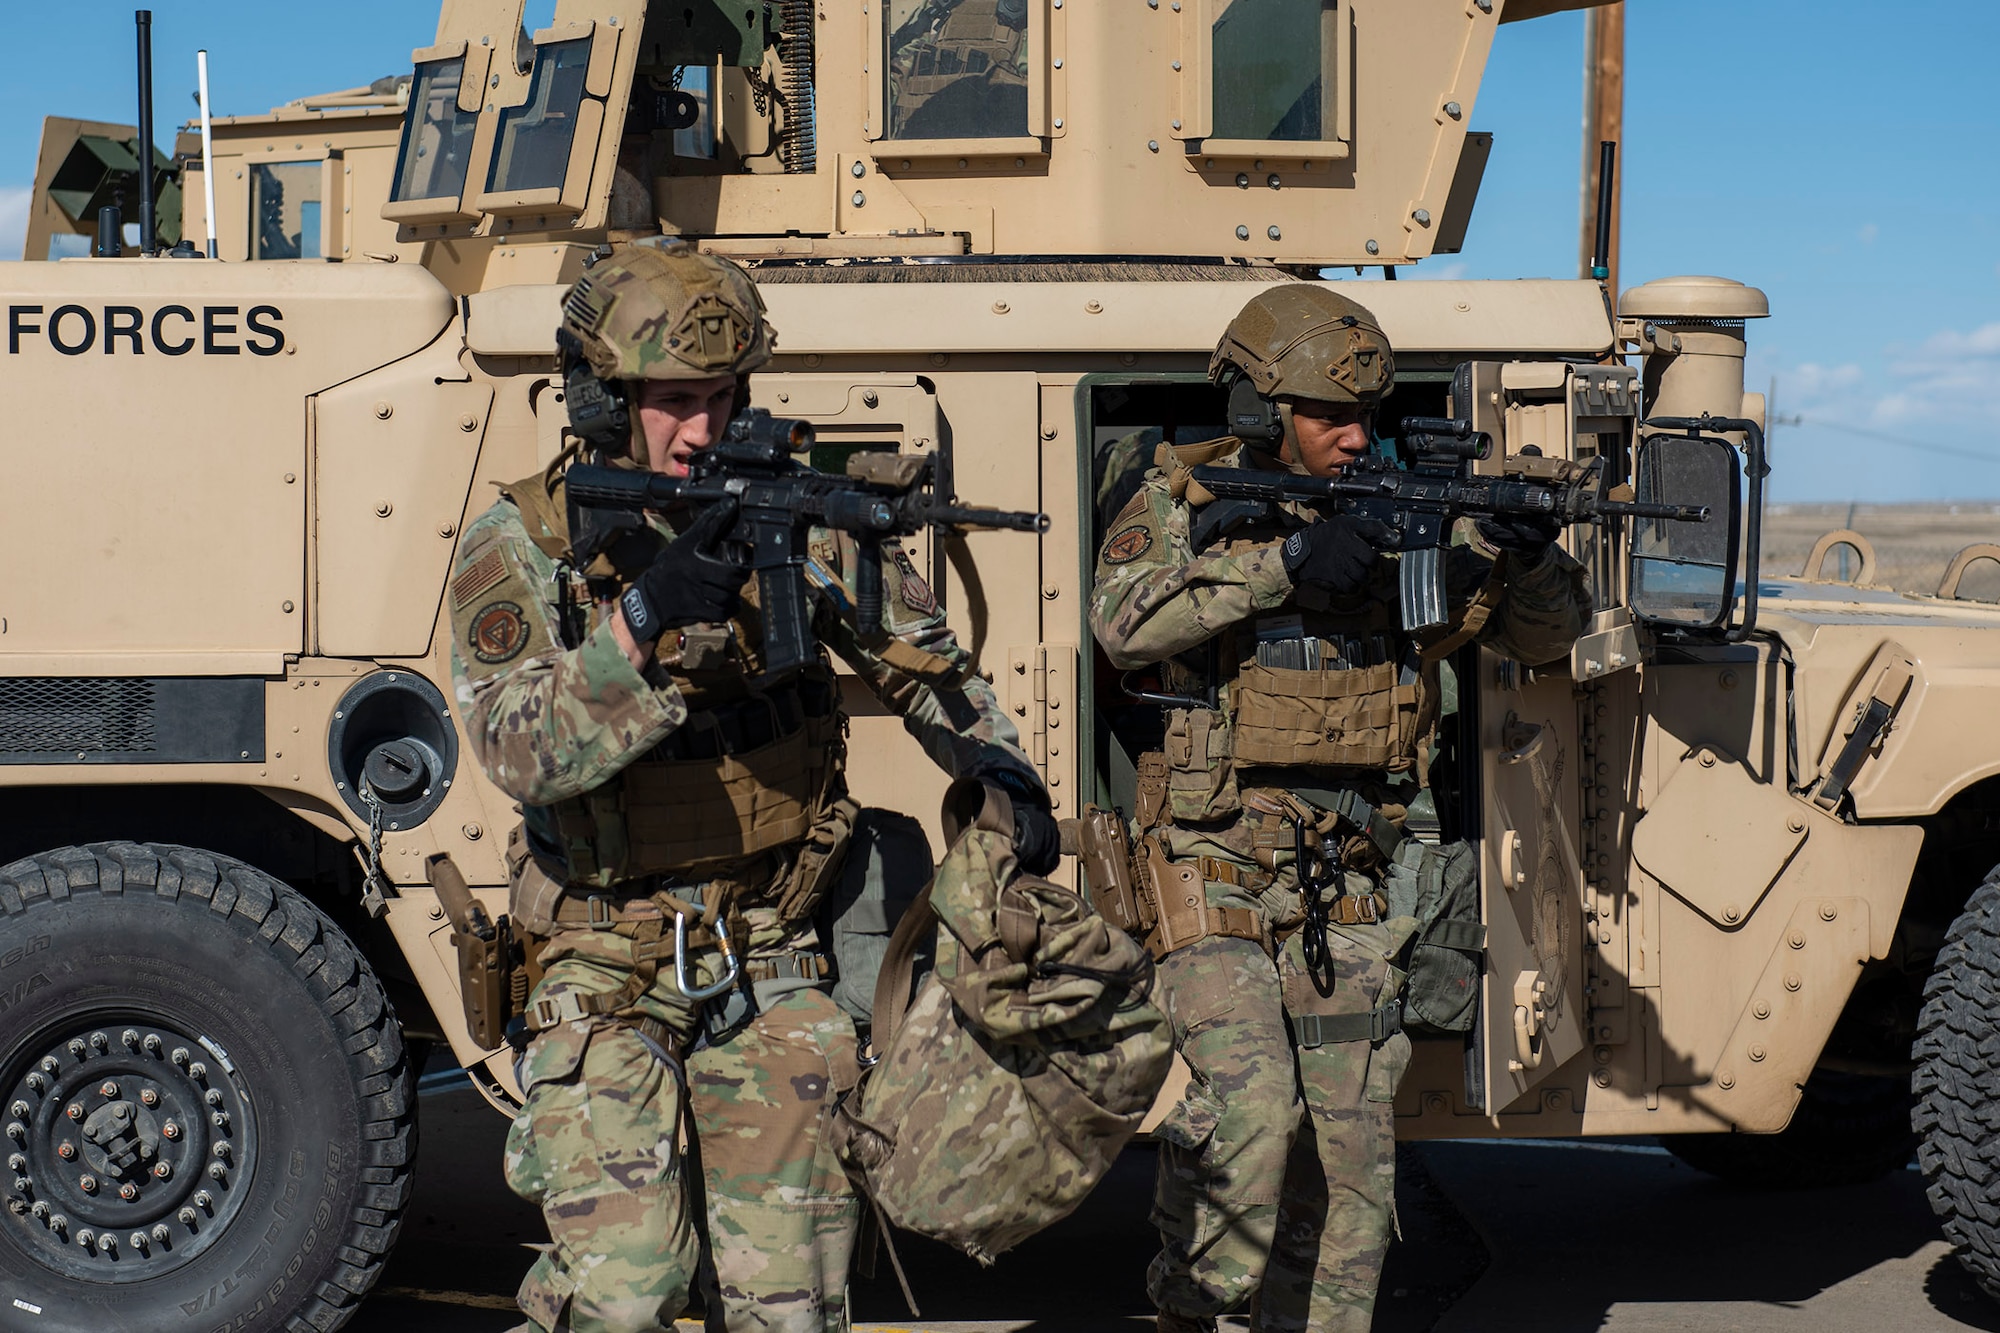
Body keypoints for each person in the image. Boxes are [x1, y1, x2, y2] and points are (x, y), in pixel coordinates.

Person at [449, 240, 1055, 1333]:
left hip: (772, 948)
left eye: (721, 397)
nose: (703, 429)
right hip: (602, 955)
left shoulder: (798, 512)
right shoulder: (527, 541)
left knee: (793, 1302)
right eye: (674, 401)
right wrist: (639, 621)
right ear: (603, 399)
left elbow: (926, 667)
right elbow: (513, 749)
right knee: (625, 1298)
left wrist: (998, 766)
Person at [1087, 284, 1588, 1333]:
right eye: (1328, 415)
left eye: (1365, 413)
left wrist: (1524, 552)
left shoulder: (1406, 503)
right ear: (1265, 414)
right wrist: (1284, 563)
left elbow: (1541, 641)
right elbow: (1120, 624)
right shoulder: (1182, 498)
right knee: (1253, 1107)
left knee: (1355, 1162)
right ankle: (1191, 1305)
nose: (1355, 434)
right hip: (1208, 860)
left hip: (1343, 883)